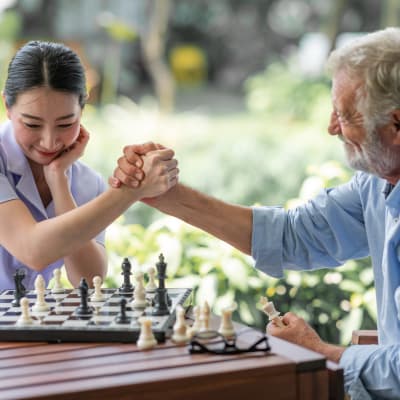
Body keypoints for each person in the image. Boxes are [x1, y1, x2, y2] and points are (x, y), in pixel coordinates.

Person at [111, 27, 400, 399]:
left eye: (345, 116)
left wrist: (324, 353)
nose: (331, 128)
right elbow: (293, 236)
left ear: (396, 124)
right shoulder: (377, 184)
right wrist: (166, 194)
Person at [0, 40, 179, 290]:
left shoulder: (85, 180)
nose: (49, 141)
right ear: (7, 106)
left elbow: (88, 278)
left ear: (82, 110)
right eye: (32, 124)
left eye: (65, 124)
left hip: (25, 325)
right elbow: (32, 250)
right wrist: (132, 190)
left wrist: (59, 181)